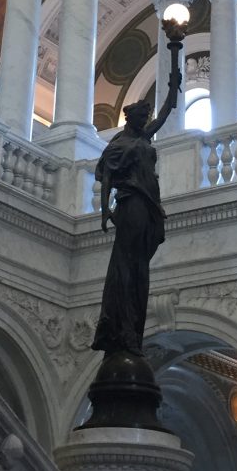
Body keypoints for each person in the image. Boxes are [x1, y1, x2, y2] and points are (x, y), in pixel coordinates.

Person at [91, 51, 182, 357]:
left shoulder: (142, 138)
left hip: (148, 206)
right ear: (131, 119)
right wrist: (105, 211)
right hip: (131, 206)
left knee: (140, 267)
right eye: (142, 118)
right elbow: (105, 177)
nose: (147, 122)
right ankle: (121, 325)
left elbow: (168, 111)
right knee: (129, 265)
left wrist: (173, 79)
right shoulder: (120, 144)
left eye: (147, 118)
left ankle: (133, 326)